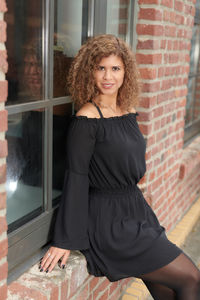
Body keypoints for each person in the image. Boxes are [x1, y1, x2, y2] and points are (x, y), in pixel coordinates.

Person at [39, 34, 200, 299]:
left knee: (170, 293)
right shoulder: (87, 119)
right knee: (191, 278)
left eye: (115, 68)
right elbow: (77, 177)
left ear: (126, 72)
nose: (107, 76)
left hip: (136, 213)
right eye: (100, 68)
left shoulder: (127, 111)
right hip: (110, 222)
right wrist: (64, 239)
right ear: (89, 71)